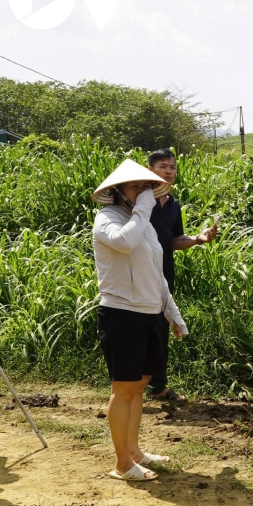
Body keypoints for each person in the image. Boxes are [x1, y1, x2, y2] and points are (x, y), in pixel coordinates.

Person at [92, 160, 188, 481]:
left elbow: (156, 273)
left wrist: (171, 312)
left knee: (141, 384)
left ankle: (134, 452)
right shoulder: (106, 219)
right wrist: (143, 210)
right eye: (136, 187)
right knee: (124, 388)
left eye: (146, 187)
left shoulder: (143, 223)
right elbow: (124, 242)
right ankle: (121, 463)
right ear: (118, 192)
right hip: (121, 314)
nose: (144, 193)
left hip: (148, 313)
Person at [146, 149, 217, 402]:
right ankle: (129, 385)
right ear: (150, 169)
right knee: (142, 327)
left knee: (161, 327)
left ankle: (158, 386)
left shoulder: (174, 205)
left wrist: (198, 239)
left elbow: (174, 239)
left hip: (165, 272)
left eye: (173, 167)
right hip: (140, 273)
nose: (169, 171)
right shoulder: (138, 199)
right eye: (163, 166)